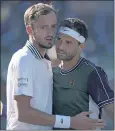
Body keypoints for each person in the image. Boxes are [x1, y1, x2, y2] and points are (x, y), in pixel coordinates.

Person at [6, 3, 105, 130]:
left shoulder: (44, 62)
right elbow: (24, 113)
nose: (50, 33)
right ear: (29, 30)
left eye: (53, 27)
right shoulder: (24, 59)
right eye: (43, 27)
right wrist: (71, 122)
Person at [53, 18, 114, 130]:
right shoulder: (51, 73)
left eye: (68, 42)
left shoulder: (92, 73)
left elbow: (111, 109)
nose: (61, 46)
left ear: (81, 46)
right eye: (59, 39)